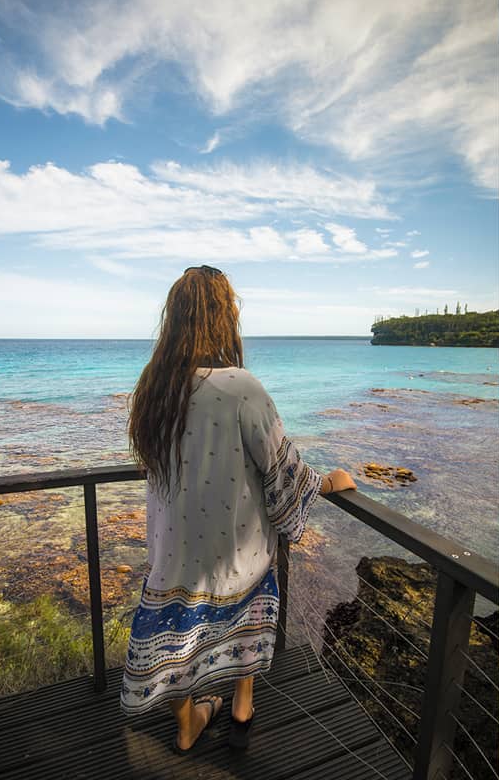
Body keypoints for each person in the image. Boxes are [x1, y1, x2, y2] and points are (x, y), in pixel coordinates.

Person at [120, 265, 355, 754]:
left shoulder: (153, 389)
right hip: (234, 553)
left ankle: (189, 725)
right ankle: (242, 706)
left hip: (173, 554)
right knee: (248, 610)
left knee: (174, 640)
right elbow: (282, 468)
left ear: (175, 320)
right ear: (225, 317)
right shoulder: (241, 386)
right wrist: (329, 483)